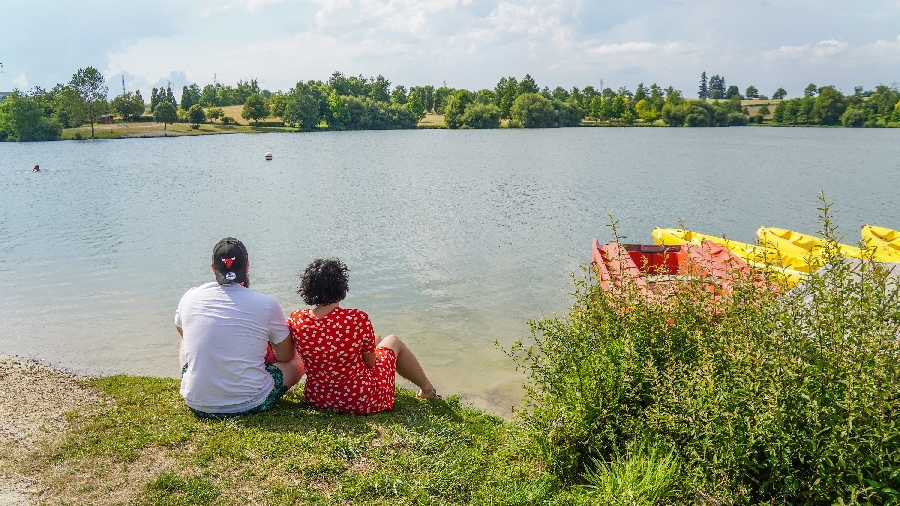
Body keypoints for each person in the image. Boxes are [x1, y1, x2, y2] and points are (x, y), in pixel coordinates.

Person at [287, 258, 438, 415]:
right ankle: (427, 390)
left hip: (318, 398)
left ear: (308, 288)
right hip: (360, 399)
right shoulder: (356, 318)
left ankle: (425, 388)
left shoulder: (296, 319)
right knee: (393, 340)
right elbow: (371, 363)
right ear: (341, 286)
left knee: (376, 338)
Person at [175, 237, 304, 418]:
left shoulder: (189, 297)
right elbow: (285, 356)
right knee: (298, 360)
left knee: (185, 340)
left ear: (213, 268)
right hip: (249, 403)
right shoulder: (266, 304)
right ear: (247, 267)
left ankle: (197, 382)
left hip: (197, 403)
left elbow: (183, 333)